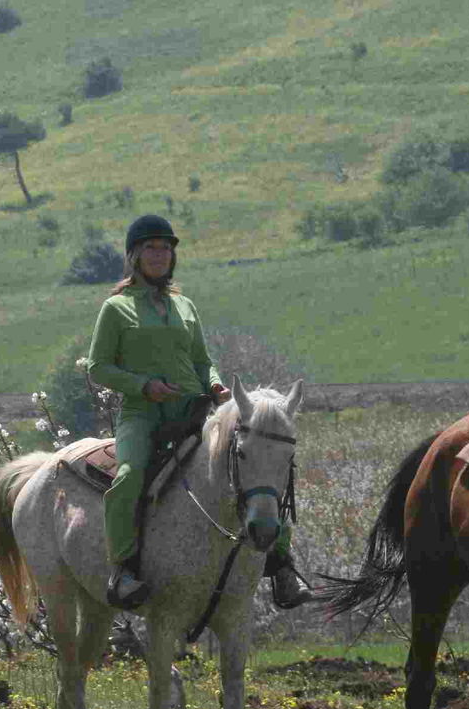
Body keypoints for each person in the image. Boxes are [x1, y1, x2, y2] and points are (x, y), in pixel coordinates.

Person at [85, 214, 312, 612]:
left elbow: (201, 360)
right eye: (151, 248)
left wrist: (214, 385)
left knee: (258, 466)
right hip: (143, 414)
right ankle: (121, 570)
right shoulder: (116, 308)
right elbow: (98, 367)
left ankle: (281, 565)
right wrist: (144, 385)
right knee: (128, 476)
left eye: (166, 249)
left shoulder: (185, 305)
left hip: (193, 410)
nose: (159, 255)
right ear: (135, 256)